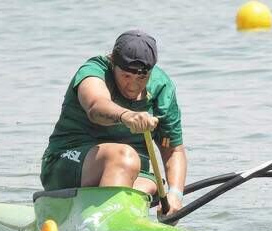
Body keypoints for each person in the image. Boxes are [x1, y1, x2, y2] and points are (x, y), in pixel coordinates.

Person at [40, 30, 187, 218]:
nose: (133, 85)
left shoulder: (162, 87)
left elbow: (174, 151)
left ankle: (114, 225)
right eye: (126, 76)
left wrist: (175, 195)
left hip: (129, 171)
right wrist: (126, 115)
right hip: (66, 162)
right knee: (123, 156)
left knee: (151, 185)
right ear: (112, 62)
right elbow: (95, 107)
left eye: (142, 78)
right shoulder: (94, 72)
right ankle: (106, 224)